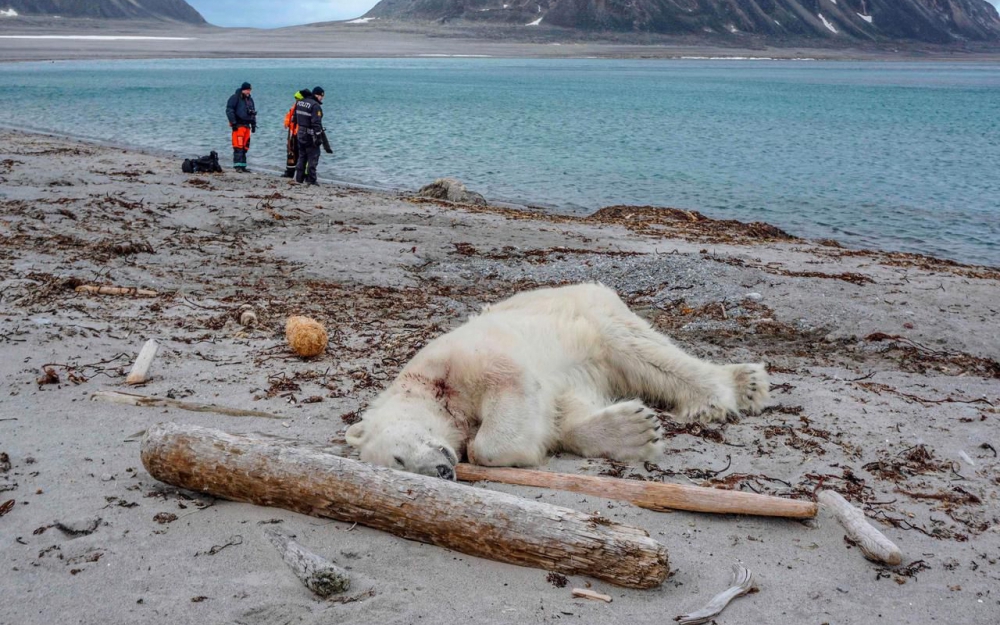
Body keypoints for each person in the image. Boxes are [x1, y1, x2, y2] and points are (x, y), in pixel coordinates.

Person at [294, 86, 326, 186]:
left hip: (300, 133)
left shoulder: (300, 102)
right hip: (310, 134)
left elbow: (295, 118)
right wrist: (318, 136)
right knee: (313, 156)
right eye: (321, 96)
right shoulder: (315, 106)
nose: (322, 98)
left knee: (302, 156)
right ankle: (311, 179)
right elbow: (316, 123)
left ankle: (299, 178)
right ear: (317, 95)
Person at [226, 82, 257, 173]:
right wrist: (233, 123)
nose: (249, 92)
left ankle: (243, 166)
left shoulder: (250, 100)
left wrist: (254, 124)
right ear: (243, 89)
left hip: (247, 126)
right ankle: (237, 166)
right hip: (238, 125)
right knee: (238, 146)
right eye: (248, 90)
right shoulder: (235, 98)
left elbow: (253, 112)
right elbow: (229, 110)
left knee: (245, 147)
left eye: (250, 90)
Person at [282, 89, 308, 178]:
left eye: (298, 99)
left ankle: (302, 174)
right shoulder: (295, 106)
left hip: (301, 134)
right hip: (293, 133)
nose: (296, 100)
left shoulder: (305, 107)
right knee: (291, 154)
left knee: (302, 154)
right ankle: (289, 172)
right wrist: (286, 123)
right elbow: (289, 115)